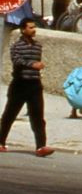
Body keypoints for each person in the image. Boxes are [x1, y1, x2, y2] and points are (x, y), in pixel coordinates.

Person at [1, 18, 52, 155]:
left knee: (38, 116)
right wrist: (32, 65)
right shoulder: (16, 46)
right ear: (23, 30)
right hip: (20, 84)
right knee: (9, 115)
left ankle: (41, 146)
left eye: (34, 27)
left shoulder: (38, 46)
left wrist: (36, 67)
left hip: (35, 84)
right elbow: (16, 60)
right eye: (30, 27)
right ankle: (1, 141)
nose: (33, 30)